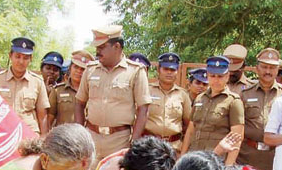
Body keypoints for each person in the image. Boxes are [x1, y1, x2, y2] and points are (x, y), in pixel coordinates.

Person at [75, 25, 151, 161]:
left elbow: (143, 109)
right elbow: (79, 103)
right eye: (97, 47)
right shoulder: (90, 70)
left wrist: (133, 143)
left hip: (120, 141)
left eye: (101, 47)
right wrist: (80, 135)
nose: (97, 51)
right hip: (91, 138)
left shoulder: (135, 71)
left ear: (116, 46)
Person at [237, 48, 282, 170]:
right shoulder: (244, 94)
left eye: (272, 68)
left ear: (277, 70)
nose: (268, 71)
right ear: (257, 68)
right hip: (248, 155)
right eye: (264, 67)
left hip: (276, 156)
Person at [181, 56, 245, 165]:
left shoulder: (233, 101)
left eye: (220, 76)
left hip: (217, 161)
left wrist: (228, 168)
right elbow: (190, 131)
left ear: (227, 76)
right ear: (208, 75)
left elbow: (237, 138)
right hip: (194, 158)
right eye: (212, 76)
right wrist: (182, 158)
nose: (216, 80)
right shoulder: (200, 98)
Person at [0, 37, 50, 135]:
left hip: (29, 135)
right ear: (10, 56)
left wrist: (43, 140)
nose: (21, 61)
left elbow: (42, 116)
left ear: (31, 58)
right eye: (17, 56)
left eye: (26, 58)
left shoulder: (37, 82)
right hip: (3, 133)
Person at [143, 53, 192, 150]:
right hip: (150, 146)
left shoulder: (183, 95)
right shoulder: (147, 91)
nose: (169, 72)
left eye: (173, 70)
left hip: (174, 147)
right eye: (165, 69)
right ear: (158, 70)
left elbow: (188, 124)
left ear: (177, 71)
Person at [49, 50, 93, 128]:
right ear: (70, 68)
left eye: (83, 69)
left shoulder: (93, 92)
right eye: (76, 67)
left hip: (87, 137)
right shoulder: (57, 90)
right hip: (63, 137)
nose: (78, 71)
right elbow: (49, 117)